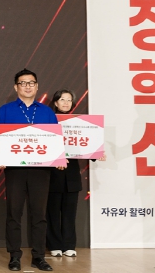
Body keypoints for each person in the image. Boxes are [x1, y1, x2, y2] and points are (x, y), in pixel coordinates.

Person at [0, 68, 57, 272]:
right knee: (14, 213)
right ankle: (14, 256)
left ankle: (39, 256)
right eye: (23, 83)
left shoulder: (47, 112)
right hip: (15, 169)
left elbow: (55, 140)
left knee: (39, 214)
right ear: (16, 87)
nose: (27, 86)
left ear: (37, 86)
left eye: (31, 83)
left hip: (41, 170)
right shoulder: (4, 111)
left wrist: (59, 156)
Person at [46, 90, 105, 258]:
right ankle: (54, 245)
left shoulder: (79, 123)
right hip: (52, 174)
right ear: (55, 102)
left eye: (69, 100)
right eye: (62, 99)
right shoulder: (48, 122)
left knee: (69, 213)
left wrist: (96, 153)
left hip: (71, 175)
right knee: (52, 213)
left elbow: (86, 145)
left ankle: (69, 245)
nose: (66, 103)